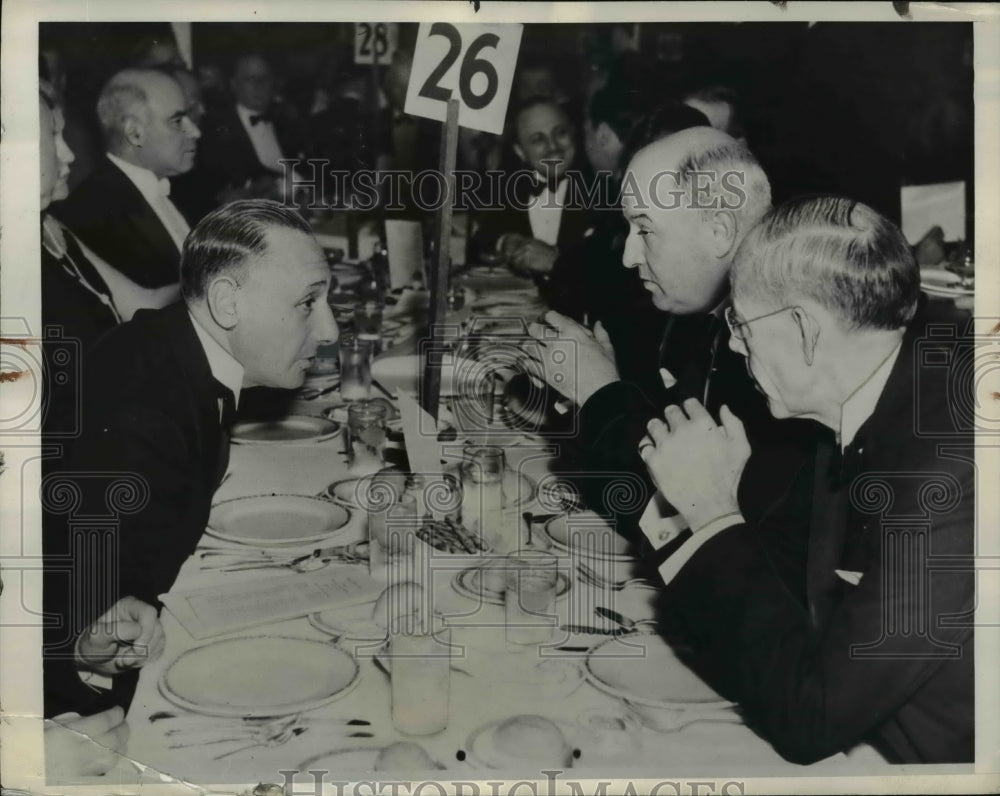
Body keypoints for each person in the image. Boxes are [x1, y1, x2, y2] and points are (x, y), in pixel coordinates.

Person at [637, 196, 974, 764]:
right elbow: (794, 594)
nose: (734, 346)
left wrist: (714, 512)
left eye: (739, 324)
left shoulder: (945, 477)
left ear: (805, 329)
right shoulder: (862, 401)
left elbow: (810, 720)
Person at [45, 200, 339, 713]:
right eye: (308, 303)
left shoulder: (177, 352)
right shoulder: (143, 408)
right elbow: (90, 614)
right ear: (228, 303)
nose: (331, 330)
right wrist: (93, 647)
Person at [527, 127, 806, 545]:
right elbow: (661, 481)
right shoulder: (713, 324)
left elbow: (699, 536)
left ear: (719, 231)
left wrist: (603, 394)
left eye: (645, 229)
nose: (627, 256)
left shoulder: (781, 360)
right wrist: (603, 389)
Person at [39, 87, 178, 436]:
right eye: (52, 136)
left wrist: (230, 267)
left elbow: (143, 306)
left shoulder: (51, 228)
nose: (69, 154)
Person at [52, 68, 202, 289]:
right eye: (178, 121)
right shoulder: (93, 215)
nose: (195, 131)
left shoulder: (172, 190)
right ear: (134, 132)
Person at [474, 97, 595, 286]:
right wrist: (505, 242)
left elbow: (611, 271)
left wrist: (556, 260)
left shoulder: (601, 189)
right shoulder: (511, 188)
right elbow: (482, 239)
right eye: (538, 139)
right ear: (520, 152)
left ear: (573, 134)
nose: (553, 146)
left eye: (560, 133)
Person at [197, 53, 304, 203]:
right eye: (250, 79)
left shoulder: (286, 121)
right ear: (234, 85)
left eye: (264, 78)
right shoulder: (216, 131)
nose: (259, 85)